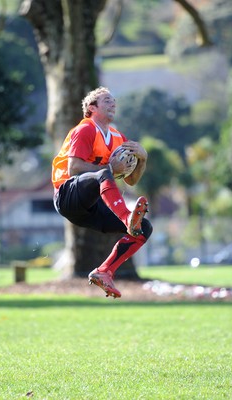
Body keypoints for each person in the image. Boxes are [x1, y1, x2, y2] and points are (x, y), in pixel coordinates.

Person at [52, 86, 152, 298]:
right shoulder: (85, 129)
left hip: (90, 207)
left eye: (114, 100)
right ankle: (127, 219)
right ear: (91, 108)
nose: (113, 103)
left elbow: (131, 180)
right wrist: (109, 170)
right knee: (104, 174)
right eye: (107, 100)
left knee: (144, 228)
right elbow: (74, 168)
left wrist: (142, 159)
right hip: (67, 195)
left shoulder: (118, 137)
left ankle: (104, 272)